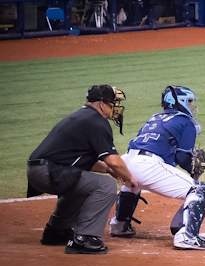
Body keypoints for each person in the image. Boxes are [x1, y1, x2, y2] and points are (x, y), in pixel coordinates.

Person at [27, 85, 137, 254]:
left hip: (39, 170)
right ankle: (85, 238)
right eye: (112, 103)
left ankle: (57, 231)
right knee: (105, 186)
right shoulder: (96, 121)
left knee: (81, 184)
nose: (115, 107)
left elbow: (80, 160)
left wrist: (108, 170)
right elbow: (114, 161)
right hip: (50, 172)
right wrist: (129, 178)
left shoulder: (82, 117)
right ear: (101, 104)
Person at [109, 86, 205, 251]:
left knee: (133, 183)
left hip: (126, 160)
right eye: (189, 101)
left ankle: (120, 224)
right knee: (199, 190)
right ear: (178, 102)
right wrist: (193, 170)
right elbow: (182, 157)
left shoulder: (155, 118)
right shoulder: (185, 121)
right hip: (147, 165)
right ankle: (187, 237)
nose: (192, 106)